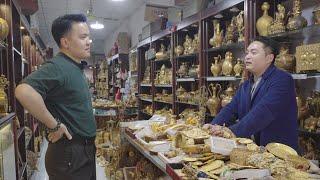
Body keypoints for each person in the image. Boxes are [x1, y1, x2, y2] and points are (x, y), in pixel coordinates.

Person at [15, 14, 96, 180]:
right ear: (65, 42)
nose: (89, 41)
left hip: (82, 152)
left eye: (89, 37)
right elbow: (23, 90)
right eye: (83, 37)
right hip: (70, 155)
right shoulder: (58, 66)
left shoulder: (74, 66)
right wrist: (54, 125)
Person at [204, 36, 299, 151]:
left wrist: (231, 131)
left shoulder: (282, 79)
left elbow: (263, 112)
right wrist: (213, 125)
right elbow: (231, 108)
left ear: (269, 58)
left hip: (279, 153)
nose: (247, 56)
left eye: (253, 53)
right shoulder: (246, 85)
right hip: (253, 151)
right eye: (247, 52)